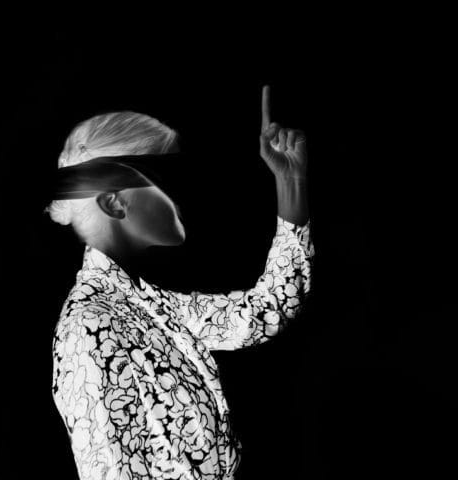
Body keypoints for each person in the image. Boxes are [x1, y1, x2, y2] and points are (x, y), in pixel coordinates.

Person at [45, 86, 314, 479]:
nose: (186, 190)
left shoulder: (147, 303)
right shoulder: (90, 328)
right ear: (114, 202)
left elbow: (264, 312)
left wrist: (291, 182)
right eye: (166, 177)